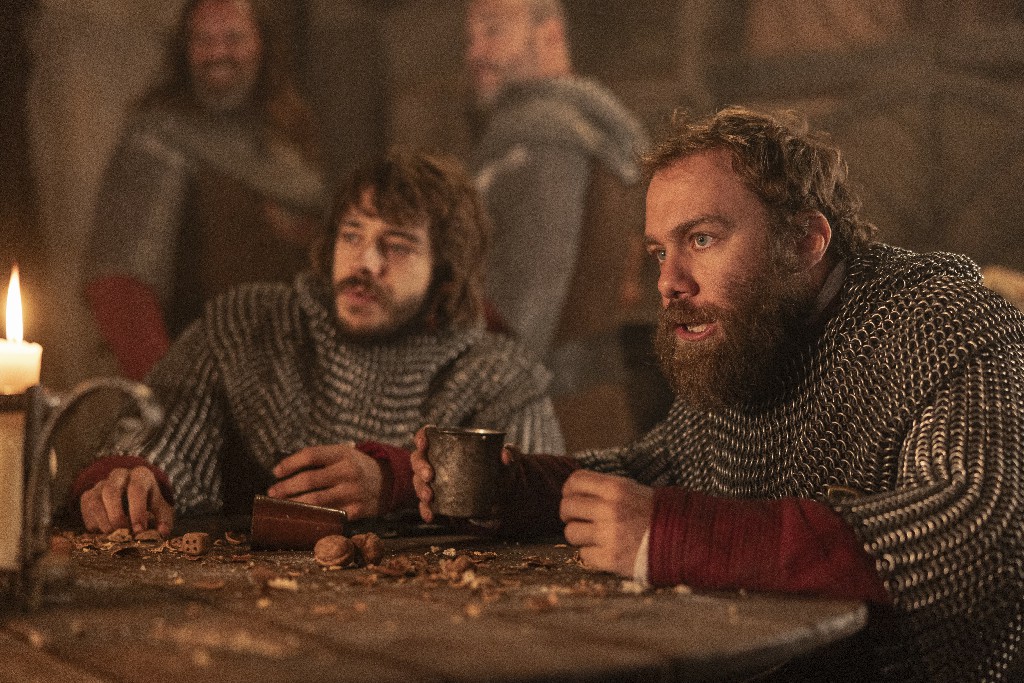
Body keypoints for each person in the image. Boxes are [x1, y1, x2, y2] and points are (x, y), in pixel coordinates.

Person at [411, 107, 1024, 681]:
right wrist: (507, 487)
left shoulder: (944, 324)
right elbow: (651, 474)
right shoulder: (749, 338)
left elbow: (980, 528)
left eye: (701, 239)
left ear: (804, 241)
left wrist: (681, 537)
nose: (669, 282)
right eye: (660, 251)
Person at [73, 148, 564, 538]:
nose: (366, 263)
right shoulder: (248, 327)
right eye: (352, 235)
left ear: (444, 270)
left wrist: (399, 483)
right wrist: (134, 477)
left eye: (397, 245)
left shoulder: (497, 375)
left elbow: (539, 504)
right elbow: (163, 435)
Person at [83, 0, 326, 381]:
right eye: (203, 40)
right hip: (200, 375)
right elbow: (120, 285)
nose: (217, 53)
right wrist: (169, 390)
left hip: (286, 374)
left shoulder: (289, 137)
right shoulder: (158, 140)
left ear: (261, 43)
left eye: (233, 38)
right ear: (185, 48)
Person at [465, 0, 655, 450]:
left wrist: (472, 396)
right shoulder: (582, 130)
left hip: (546, 420)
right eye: (470, 37)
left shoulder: (541, 138)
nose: (475, 52)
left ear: (548, 33)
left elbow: (527, 299)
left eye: (493, 30)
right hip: (586, 407)